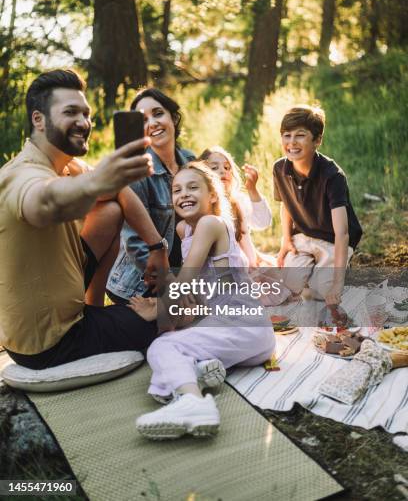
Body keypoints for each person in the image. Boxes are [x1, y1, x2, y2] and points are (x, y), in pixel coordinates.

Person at [0, 69, 169, 369]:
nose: (83, 122)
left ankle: (95, 310)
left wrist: (157, 247)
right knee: (175, 315)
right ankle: (98, 325)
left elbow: (119, 193)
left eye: (86, 113)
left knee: (112, 209)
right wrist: (96, 182)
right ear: (39, 120)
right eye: (70, 112)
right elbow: (44, 202)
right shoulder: (20, 176)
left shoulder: (65, 164)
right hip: (48, 341)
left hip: (69, 305)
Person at [130, 161, 274, 440]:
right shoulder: (186, 230)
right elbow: (199, 294)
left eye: (193, 187)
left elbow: (186, 279)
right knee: (181, 339)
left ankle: (194, 403)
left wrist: (160, 312)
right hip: (251, 338)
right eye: (176, 190)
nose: (183, 194)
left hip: (243, 324)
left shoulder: (210, 223)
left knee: (161, 348)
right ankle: (200, 373)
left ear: (212, 195)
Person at [107, 88, 194, 303]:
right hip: (139, 283)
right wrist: (170, 285)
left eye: (158, 113)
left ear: (173, 118)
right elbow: (135, 243)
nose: (153, 123)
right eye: (144, 120)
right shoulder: (138, 171)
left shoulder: (190, 161)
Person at [273, 104, 363, 306]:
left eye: (300, 135)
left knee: (325, 293)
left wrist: (338, 283)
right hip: (304, 236)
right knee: (289, 285)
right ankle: (311, 273)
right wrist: (286, 240)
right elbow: (286, 204)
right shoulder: (280, 168)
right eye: (286, 135)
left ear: (317, 140)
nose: (292, 142)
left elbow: (342, 233)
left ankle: (340, 269)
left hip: (332, 239)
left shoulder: (332, 176)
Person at [199, 146, 272, 267]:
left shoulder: (239, 201)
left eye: (227, 167)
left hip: (251, 267)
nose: (223, 171)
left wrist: (252, 190)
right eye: (214, 168)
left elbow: (263, 222)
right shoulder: (204, 211)